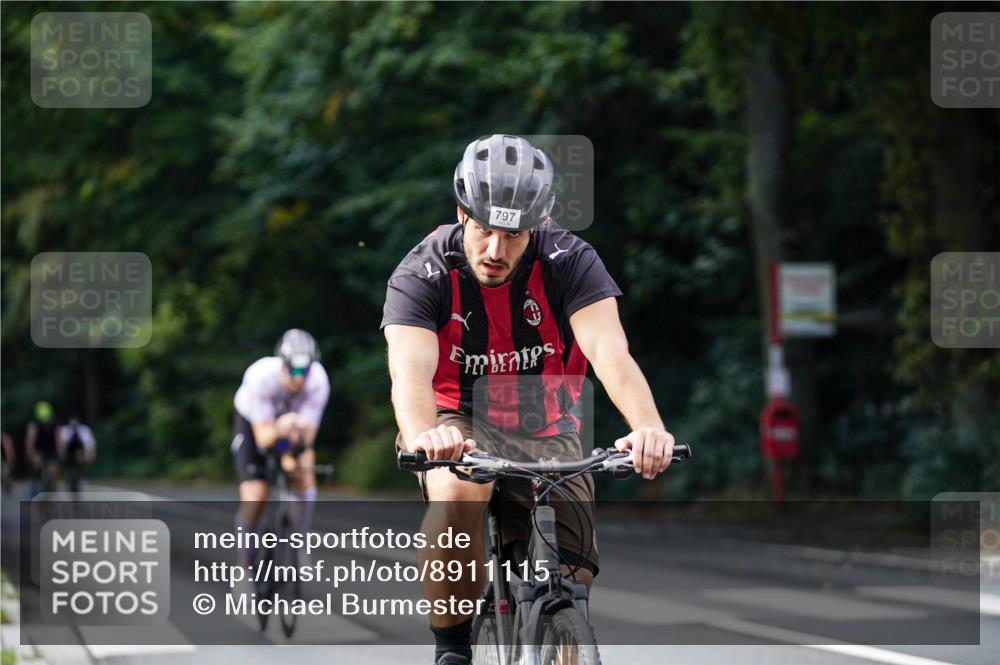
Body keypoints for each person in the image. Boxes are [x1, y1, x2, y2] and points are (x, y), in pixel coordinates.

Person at [382, 134, 677, 665]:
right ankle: (452, 650)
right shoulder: (422, 271)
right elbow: (409, 371)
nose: (496, 251)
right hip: (456, 419)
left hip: (548, 426)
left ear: (538, 225)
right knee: (458, 492)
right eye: (484, 230)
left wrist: (648, 426)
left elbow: (610, 352)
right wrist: (428, 436)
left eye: (513, 235)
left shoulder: (570, 262)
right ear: (461, 214)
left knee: (570, 580)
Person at [231, 328, 330, 566]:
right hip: (255, 424)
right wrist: (281, 428)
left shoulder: (317, 381)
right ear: (282, 364)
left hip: (291, 429)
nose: (298, 377)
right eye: (293, 370)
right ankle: (245, 564)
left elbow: (308, 440)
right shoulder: (260, 377)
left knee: (303, 473)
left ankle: (299, 540)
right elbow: (264, 438)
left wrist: (292, 453)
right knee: (256, 494)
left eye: (304, 370)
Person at [25, 401, 60, 494]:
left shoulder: (55, 421)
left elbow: (59, 439)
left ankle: (53, 490)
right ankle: (35, 487)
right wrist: (33, 455)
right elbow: (30, 441)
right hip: (38, 449)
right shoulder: (33, 423)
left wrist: (60, 452)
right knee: (37, 467)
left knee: (53, 471)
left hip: (51, 449)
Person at [57, 417, 96, 492]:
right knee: (68, 469)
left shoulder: (84, 430)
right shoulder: (65, 430)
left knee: (82, 456)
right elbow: (61, 446)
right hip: (68, 452)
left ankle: (81, 473)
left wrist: (87, 457)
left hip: (79, 451)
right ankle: (68, 476)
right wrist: (62, 456)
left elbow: (89, 445)